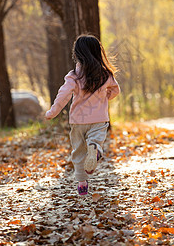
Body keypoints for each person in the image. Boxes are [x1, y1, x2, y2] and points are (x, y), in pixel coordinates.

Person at [45, 34, 120, 195]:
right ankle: (95, 149)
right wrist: (104, 98)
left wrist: (53, 112)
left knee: (78, 151)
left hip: (78, 121)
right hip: (99, 119)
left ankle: (82, 183)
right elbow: (116, 90)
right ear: (99, 53)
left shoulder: (74, 76)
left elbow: (63, 95)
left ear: (77, 54)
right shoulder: (106, 74)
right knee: (95, 139)